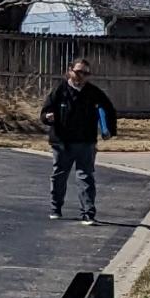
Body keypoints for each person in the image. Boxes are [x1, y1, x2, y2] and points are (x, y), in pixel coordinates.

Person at [37, 55, 118, 224]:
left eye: (86, 74)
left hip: (85, 142)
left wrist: (108, 130)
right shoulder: (59, 91)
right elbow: (44, 113)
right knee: (59, 176)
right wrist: (48, 117)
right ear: (70, 71)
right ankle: (56, 208)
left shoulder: (94, 93)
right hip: (62, 142)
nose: (82, 77)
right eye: (79, 72)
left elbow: (108, 110)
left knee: (85, 177)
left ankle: (88, 213)